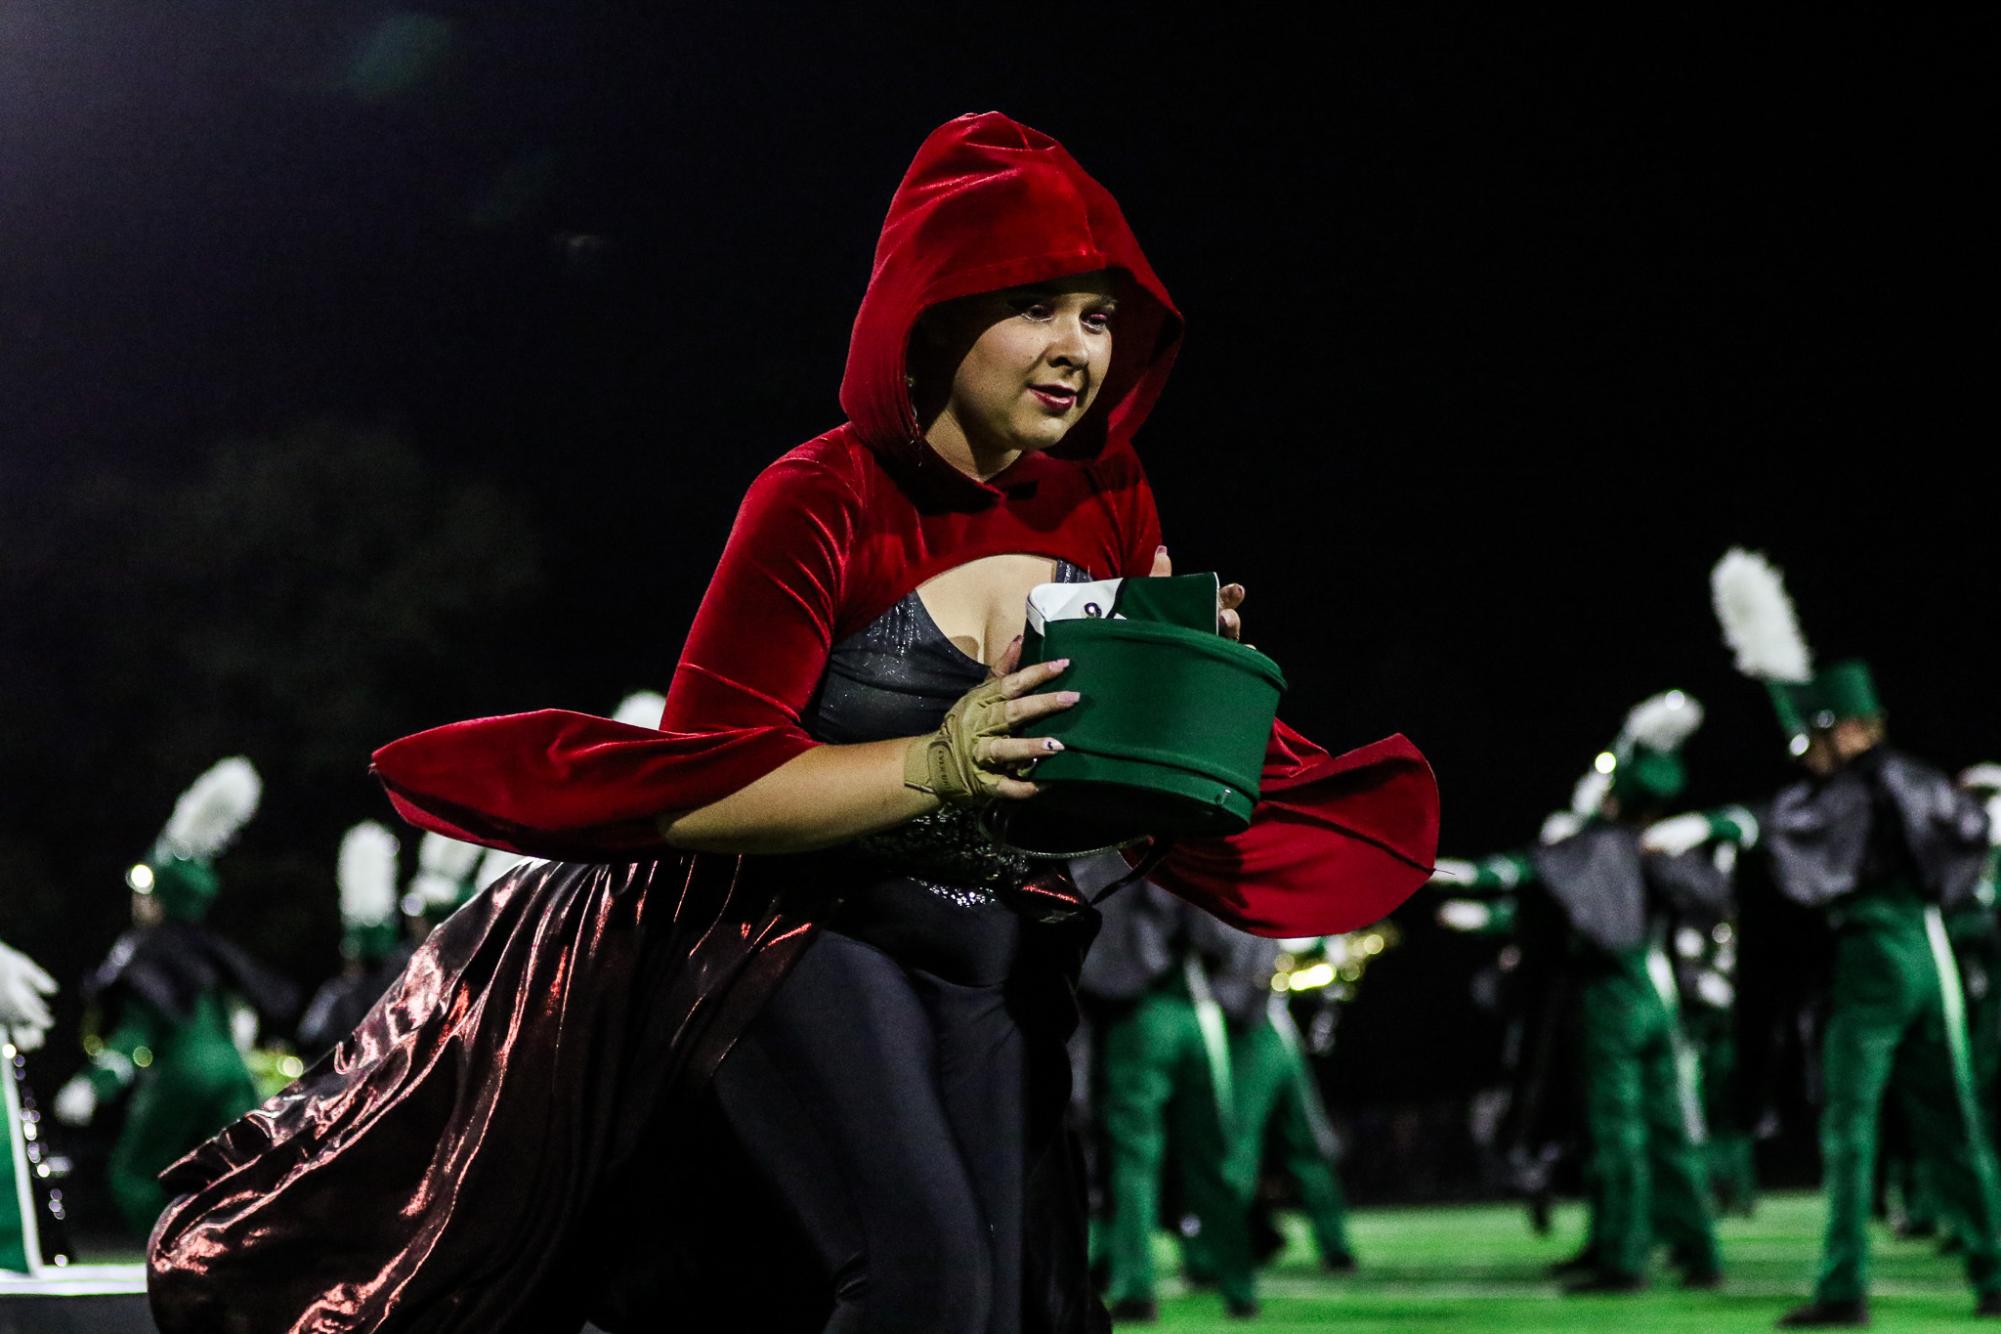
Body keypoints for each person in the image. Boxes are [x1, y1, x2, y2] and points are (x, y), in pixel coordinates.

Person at [147, 112, 1439, 1333]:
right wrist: (931, 763)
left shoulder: (1107, 488)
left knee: (1007, 1303)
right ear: (931, 318)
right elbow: (701, 789)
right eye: (1035, 306)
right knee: (921, 1272)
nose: (1076, 347)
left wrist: (1178, 695)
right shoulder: (817, 494)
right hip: (791, 928)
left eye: (1099, 317)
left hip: (993, 936)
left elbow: (1087, 770)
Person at [1644, 549, 2001, 1327]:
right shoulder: (1906, 778)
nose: (1803, 749)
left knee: (1857, 1128)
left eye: (1815, 734)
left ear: (1850, 727)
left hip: (1881, 956)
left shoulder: (1862, 785)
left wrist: (1709, 822)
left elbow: (1779, 826)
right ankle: (1989, 1270)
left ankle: (1846, 1286)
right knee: (1946, 1129)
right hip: (1921, 954)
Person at [1433, 691, 1725, 1293]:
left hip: (1609, 999)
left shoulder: (1593, 845)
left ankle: (1623, 1257)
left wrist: (1447, 873)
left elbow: (1521, 873)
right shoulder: (1662, 848)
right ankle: (1696, 1253)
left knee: (1616, 1132)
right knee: (1669, 1131)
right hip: (1658, 996)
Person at [53, 758, 296, 1236]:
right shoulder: (214, 953)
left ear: (161, 897)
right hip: (234, 1073)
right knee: (244, 1176)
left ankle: (176, 1251)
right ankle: (252, 1254)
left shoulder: (145, 951)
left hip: (182, 1075)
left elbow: (135, 1033)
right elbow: (245, 1017)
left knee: (132, 1175)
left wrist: (94, 1085)